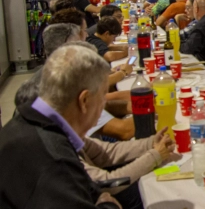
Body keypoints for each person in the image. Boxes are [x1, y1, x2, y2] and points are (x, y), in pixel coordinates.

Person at [0, 46, 123, 209]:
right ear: (84, 101)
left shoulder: (28, 121)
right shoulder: (54, 160)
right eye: (102, 98)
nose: (104, 105)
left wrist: (98, 194)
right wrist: (108, 203)